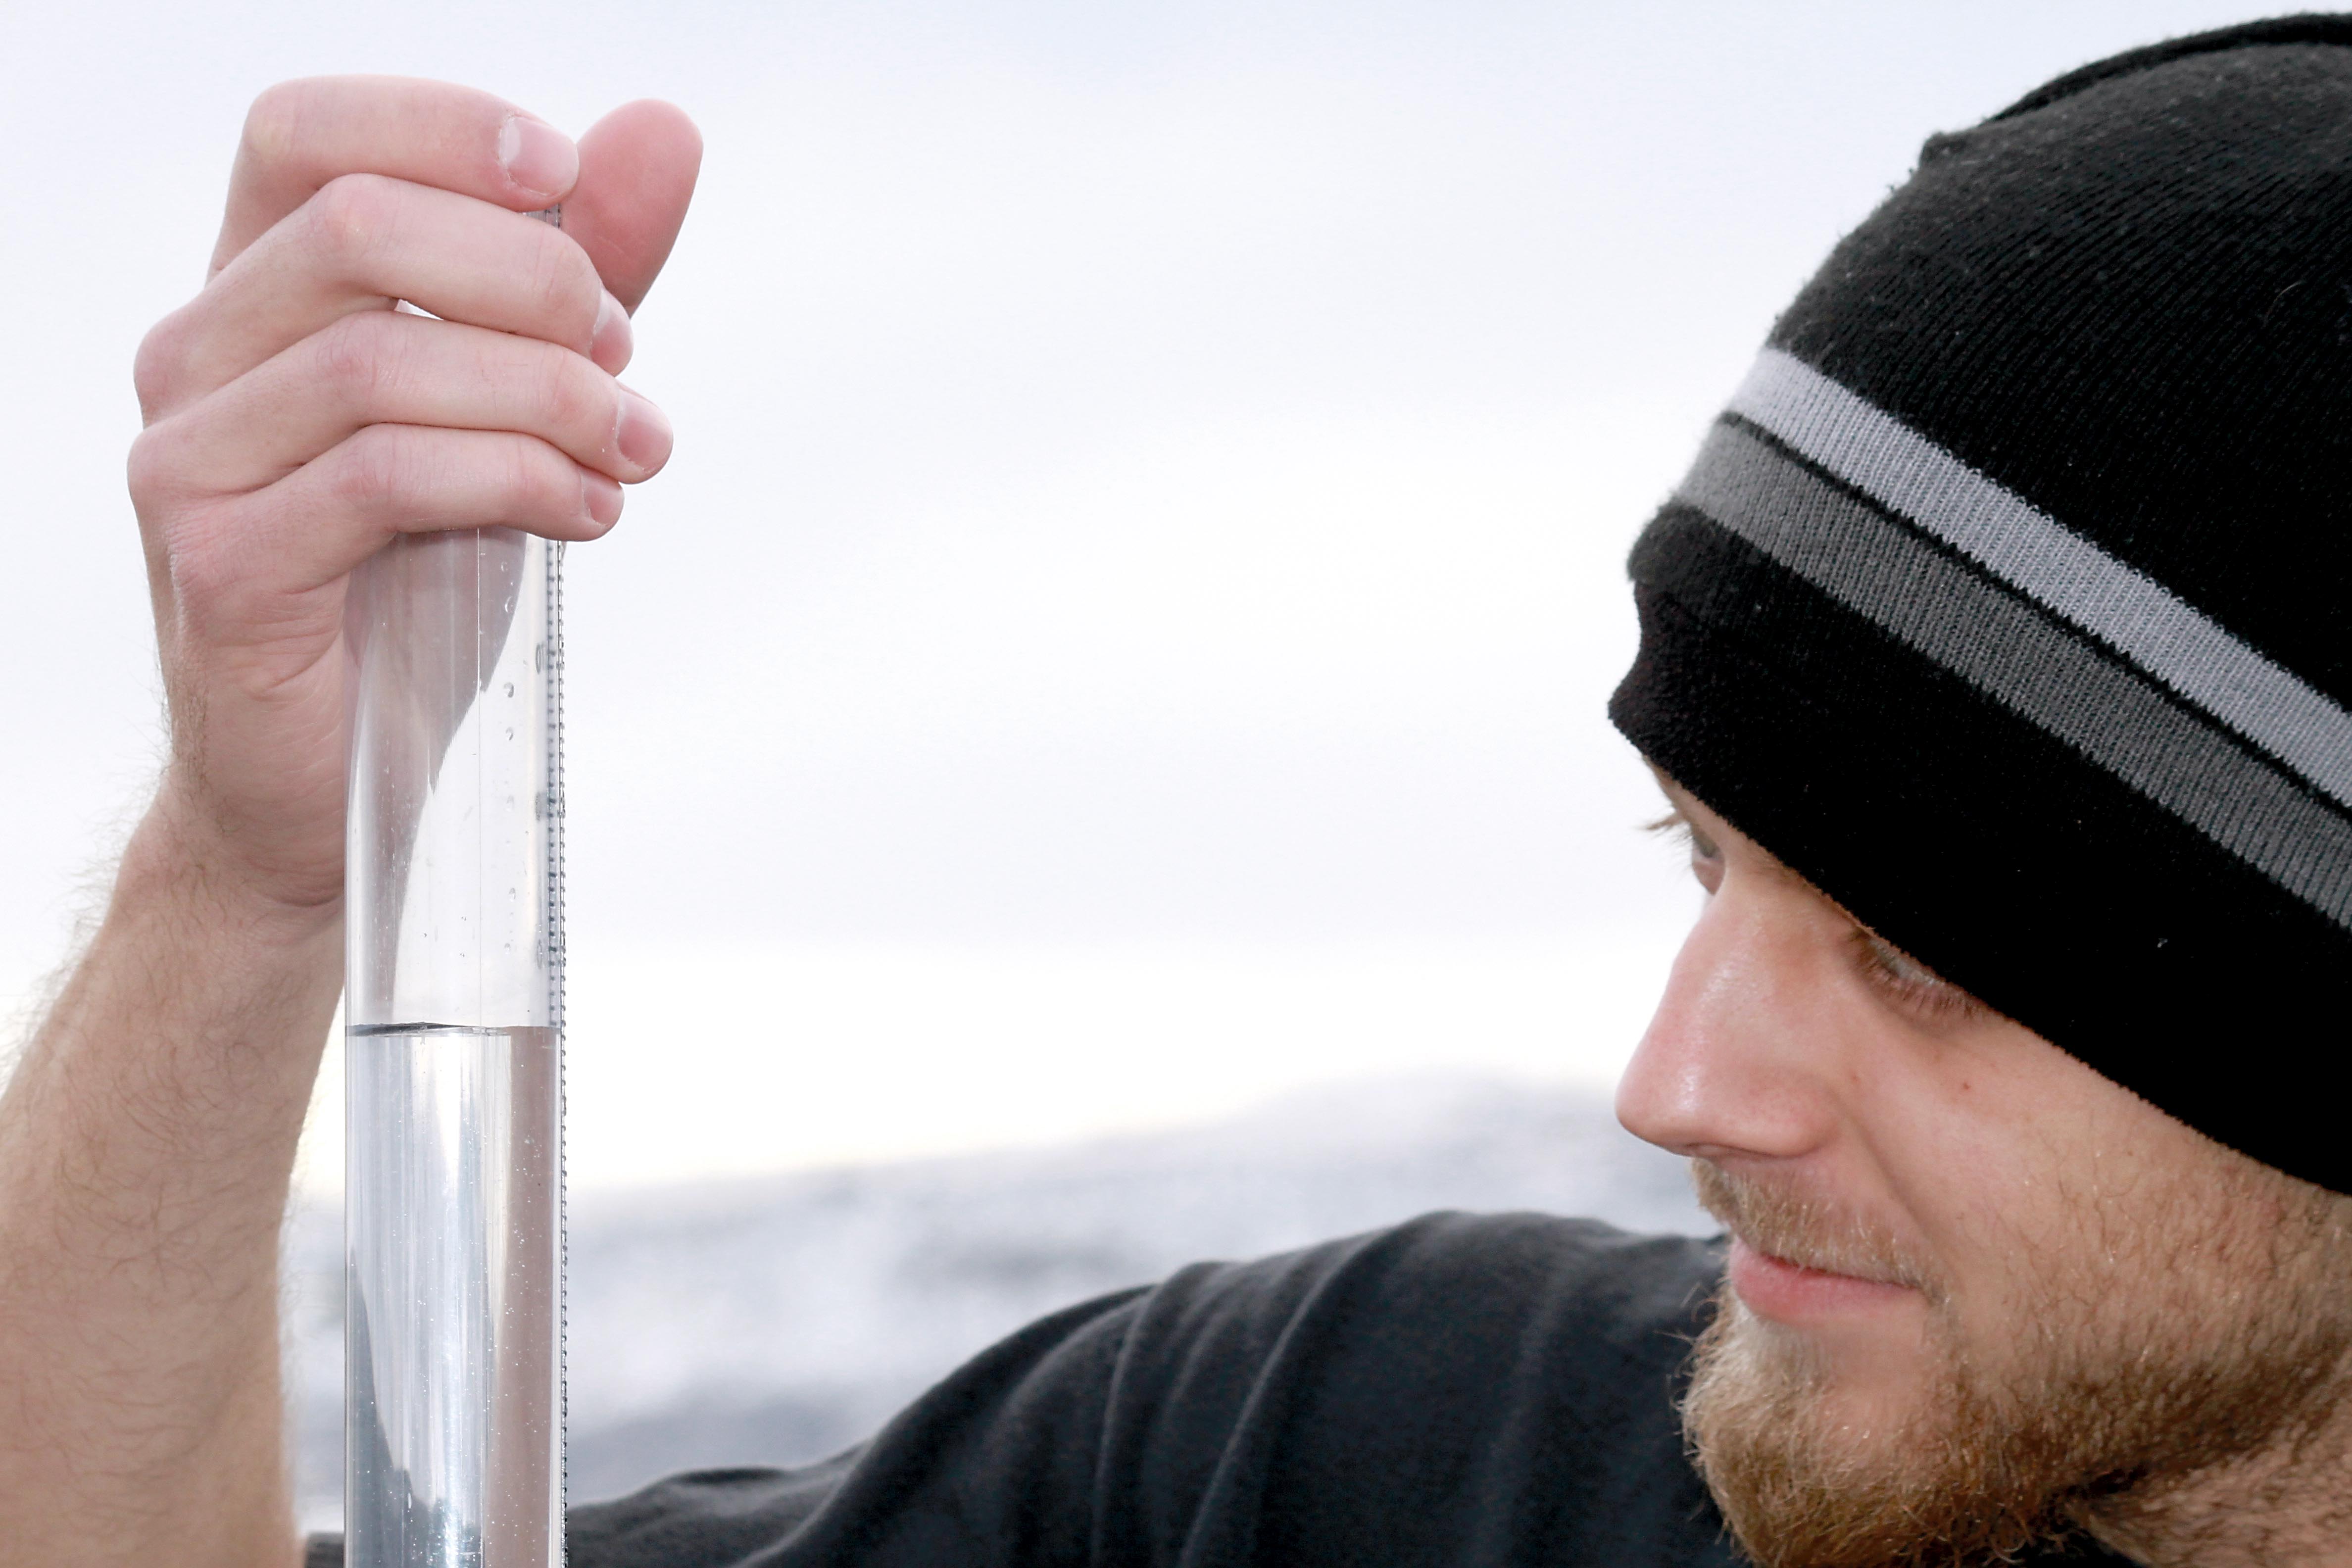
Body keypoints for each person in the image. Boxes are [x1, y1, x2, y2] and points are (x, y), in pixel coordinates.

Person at [5, 13, 2352, 1567]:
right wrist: (249, 872)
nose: (1674, 1082)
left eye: (1920, 959)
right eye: (1704, 855)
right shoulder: (1387, 1474)